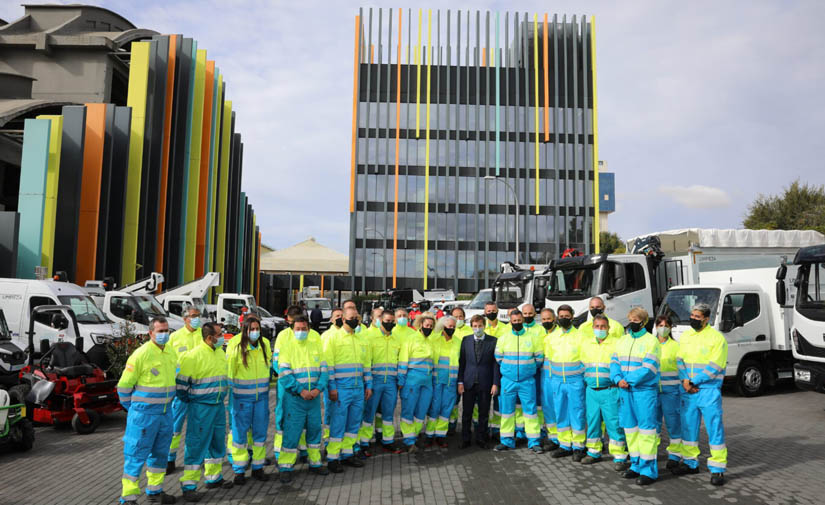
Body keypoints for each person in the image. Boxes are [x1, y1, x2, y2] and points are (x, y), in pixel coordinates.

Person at [117, 317, 177, 504]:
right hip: (144, 416)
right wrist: (134, 409)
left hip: (165, 414)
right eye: (160, 331)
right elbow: (124, 387)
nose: (164, 334)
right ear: (151, 333)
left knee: (160, 455)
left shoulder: (170, 352)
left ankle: (155, 491)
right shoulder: (141, 355)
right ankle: (129, 498)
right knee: (136, 455)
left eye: (166, 330)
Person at [176, 322, 232, 501]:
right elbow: (181, 387)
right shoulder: (192, 357)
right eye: (219, 334)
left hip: (217, 406)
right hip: (201, 408)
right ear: (210, 338)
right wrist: (193, 401)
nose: (222, 337)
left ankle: (213, 477)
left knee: (217, 443)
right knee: (196, 445)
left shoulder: (219, 353)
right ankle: (189, 485)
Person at [674, 303, 728, 486]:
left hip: (708, 390)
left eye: (697, 316)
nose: (693, 319)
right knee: (688, 427)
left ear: (706, 318)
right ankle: (690, 463)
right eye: (692, 315)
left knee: (714, 428)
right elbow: (679, 359)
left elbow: (715, 365)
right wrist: (684, 381)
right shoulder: (686, 335)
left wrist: (694, 381)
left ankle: (718, 469)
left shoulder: (717, 338)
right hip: (688, 389)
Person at [610, 307, 661, 486]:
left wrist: (627, 380)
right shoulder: (622, 340)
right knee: (630, 430)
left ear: (644, 322)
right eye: (630, 318)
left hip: (644, 392)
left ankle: (649, 470)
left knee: (646, 431)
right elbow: (614, 362)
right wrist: (617, 379)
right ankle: (636, 465)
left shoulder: (651, 341)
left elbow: (649, 368)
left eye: (636, 320)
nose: (632, 322)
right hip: (625, 391)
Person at [277, 316, 330, 482]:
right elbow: (284, 375)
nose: (301, 331)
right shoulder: (287, 348)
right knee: (292, 433)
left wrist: (317, 389)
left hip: (313, 399)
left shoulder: (316, 346)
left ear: (308, 329)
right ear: (293, 329)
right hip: (295, 399)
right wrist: (301, 391)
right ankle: (286, 466)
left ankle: (315, 462)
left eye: (304, 329)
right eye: (298, 329)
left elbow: (324, 370)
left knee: (314, 430)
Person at [323, 306, 372, 472]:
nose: (355, 321)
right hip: (341, 389)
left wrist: (369, 385)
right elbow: (328, 366)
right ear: (343, 319)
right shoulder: (333, 338)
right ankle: (332, 458)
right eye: (351, 318)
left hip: (358, 388)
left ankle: (347, 454)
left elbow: (366, 365)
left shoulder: (359, 340)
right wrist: (332, 387)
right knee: (338, 424)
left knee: (353, 424)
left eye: (357, 318)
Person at [226, 316, 271, 484]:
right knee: (240, 435)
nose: (255, 332)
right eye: (251, 329)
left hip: (262, 398)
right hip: (241, 399)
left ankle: (258, 468)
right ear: (245, 330)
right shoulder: (237, 348)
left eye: (257, 328)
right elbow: (230, 375)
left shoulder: (265, 345)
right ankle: (239, 470)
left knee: (260, 435)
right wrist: (231, 400)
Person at [581, 314, 629, 470]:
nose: (600, 329)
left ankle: (620, 455)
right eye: (597, 326)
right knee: (593, 422)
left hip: (610, 390)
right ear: (593, 327)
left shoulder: (617, 344)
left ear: (609, 328)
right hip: (591, 391)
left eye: (603, 326)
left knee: (614, 423)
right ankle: (594, 451)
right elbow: (583, 366)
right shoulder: (587, 344)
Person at [492, 310, 543, 453]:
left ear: (523, 320)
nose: (517, 323)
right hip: (509, 381)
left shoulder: (533, 337)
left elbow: (539, 359)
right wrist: (510, 371)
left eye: (519, 320)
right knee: (507, 412)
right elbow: (498, 358)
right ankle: (506, 441)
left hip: (527, 381)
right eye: (514, 321)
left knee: (531, 412)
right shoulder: (503, 338)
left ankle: (534, 442)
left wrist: (527, 370)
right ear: (510, 321)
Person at [359, 309, 403, 454]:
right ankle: (364, 442)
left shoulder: (397, 340)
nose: (389, 323)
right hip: (375, 381)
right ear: (380, 321)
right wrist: (368, 384)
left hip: (391, 382)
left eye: (392, 321)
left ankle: (388, 441)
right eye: (387, 321)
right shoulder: (371, 338)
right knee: (369, 414)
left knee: (388, 414)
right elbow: (366, 362)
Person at [546, 304, 586, 460]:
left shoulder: (581, 336)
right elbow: (549, 360)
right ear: (557, 317)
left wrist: (581, 379)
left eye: (566, 316)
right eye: (561, 316)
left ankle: (578, 446)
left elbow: (585, 360)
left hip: (575, 382)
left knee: (577, 413)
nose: (564, 319)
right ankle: (564, 445)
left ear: (572, 316)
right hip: (557, 382)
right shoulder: (551, 337)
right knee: (560, 412)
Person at [166, 308, 203, 473]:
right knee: (175, 427)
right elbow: (167, 361)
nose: (196, 319)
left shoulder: (204, 335)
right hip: (180, 389)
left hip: (201, 387)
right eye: (193, 316)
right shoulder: (174, 337)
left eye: (198, 316)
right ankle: (169, 459)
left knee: (199, 427)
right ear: (185, 319)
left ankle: (196, 459)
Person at [458, 315, 499, 449]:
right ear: (471, 327)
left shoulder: (493, 341)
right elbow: (462, 363)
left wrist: (495, 383)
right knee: (466, 413)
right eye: (475, 326)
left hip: (485, 382)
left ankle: (481, 438)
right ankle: (465, 438)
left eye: (480, 326)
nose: (477, 328)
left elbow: (495, 364)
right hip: (469, 382)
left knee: (484, 412)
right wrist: (460, 382)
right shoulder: (466, 340)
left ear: (484, 326)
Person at [397, 312, 435, 453]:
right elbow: (403, 361)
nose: (429, 328)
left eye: (431, 326)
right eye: (426, 325)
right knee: (408, 410)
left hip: (427, 382)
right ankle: (408, 441)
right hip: (411, 382)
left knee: (421, 412)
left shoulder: (431, 342)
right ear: (420, 325)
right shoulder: (410, 339)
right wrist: (401, 380)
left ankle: (415, 435)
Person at [426, 316, 461, 448]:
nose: (451, 329)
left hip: (451, 382)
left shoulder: (458, 342)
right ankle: (429, 435)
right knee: (434, 408)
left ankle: (440, 435)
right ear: (442, 326)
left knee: (446, 409)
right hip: (435, 381)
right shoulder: (434, 340)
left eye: (453, 326)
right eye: (449, 326)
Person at [654, 315, 683, 471]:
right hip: (652, 392)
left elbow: (682, 370)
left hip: (671, 393)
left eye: (666, 325)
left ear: (671, 327)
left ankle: (675, 454)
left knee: (673, 424)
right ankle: (652, 451)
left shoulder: (676, 346)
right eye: (660, 325)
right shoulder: (650, 344)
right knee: (653, 424)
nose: (663, 328)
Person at [539, 308, 560, 451]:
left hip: (559, 376)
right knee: (548, 408)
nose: (546, 321)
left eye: (548, 319)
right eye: (544, 319)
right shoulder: (541, 334)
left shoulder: (560, 334)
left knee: (561, 408)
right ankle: (553, 438)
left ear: (554, 319)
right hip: (545, 377)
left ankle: (564, 438)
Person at [321, 307, 344, 439]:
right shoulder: (326, 336)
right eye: (336, 316)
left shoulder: (349, 334)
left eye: (341, 316)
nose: (339, 318)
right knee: (330, 408)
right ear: (331, 319)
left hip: (344, 380)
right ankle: (328, 435)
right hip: (331, 379)